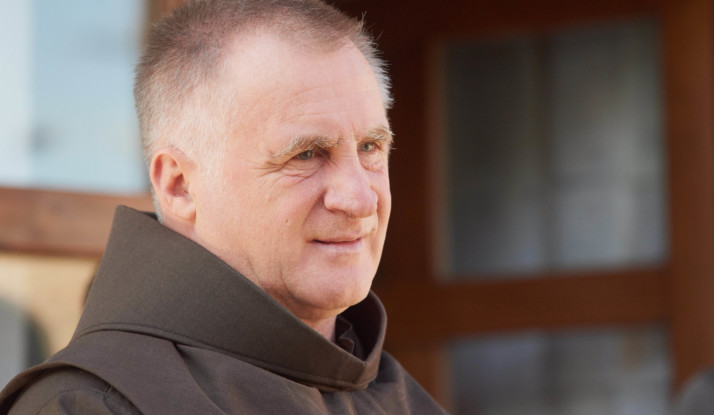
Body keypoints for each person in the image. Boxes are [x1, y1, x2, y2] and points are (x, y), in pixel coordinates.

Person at [0, 0, 448, 413]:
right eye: (306, 155)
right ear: (179, 186)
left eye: (370, 147)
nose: (361, 199)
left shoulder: (402, 398)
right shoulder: (91, 406)